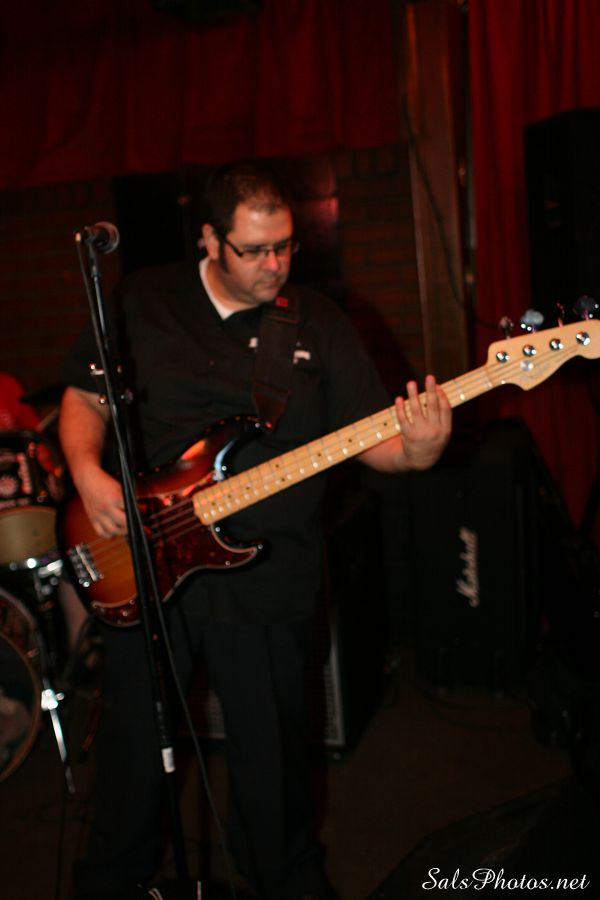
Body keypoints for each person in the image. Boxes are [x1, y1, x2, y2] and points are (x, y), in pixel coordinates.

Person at [58, 160, 452, 900]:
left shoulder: (318, 324)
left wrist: (420, 449)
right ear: (210, 240)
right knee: (132, 760)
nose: (275, 264)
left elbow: (378, 441)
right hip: (143, 563)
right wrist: (87, 473)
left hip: (271, 577)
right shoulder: (143, 299)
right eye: (255, 250)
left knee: (273, 769)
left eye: (286, 246)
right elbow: (86, 396)